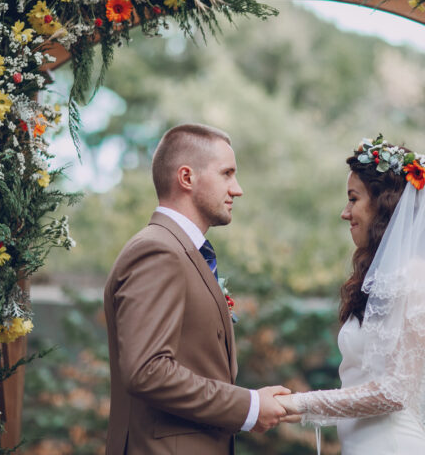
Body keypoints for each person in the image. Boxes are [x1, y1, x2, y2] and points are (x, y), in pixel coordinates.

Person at [276, 135, 425, 455]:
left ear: (384, 204)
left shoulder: (417, 276)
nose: (345, 212)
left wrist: (298, 403)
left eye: (353, 198)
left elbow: (393, 392)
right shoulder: (386, 276)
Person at [103, 123, 289, 455]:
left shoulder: (181, 251)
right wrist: (249, 406)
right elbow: (147, 370)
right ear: (187, 178)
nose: (238, 189)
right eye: (227, 174)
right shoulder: (158, 251)